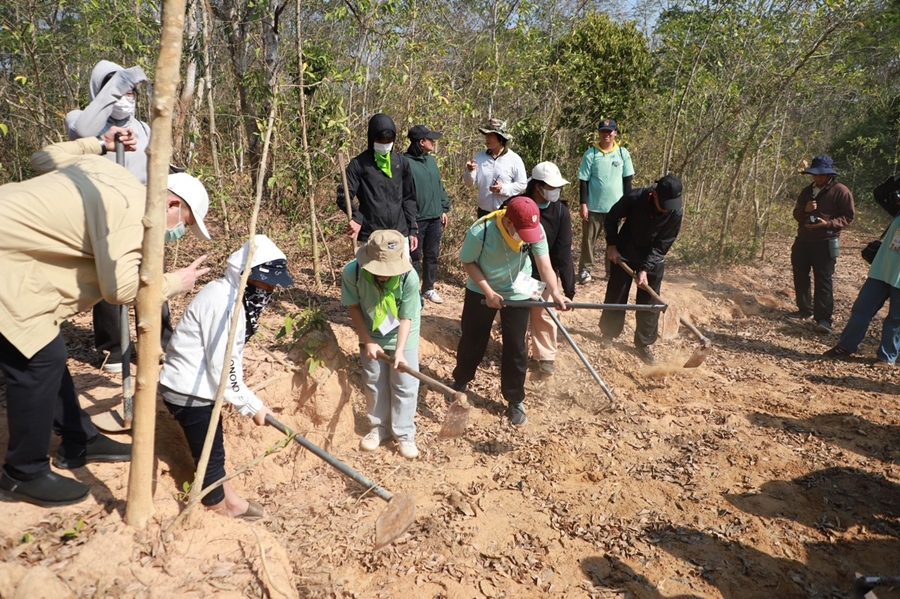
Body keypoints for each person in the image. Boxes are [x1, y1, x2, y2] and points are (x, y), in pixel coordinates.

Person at [0, 133, 210, 507]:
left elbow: (43, 157)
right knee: (39, 361)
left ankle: (80, 440)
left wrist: (99, 143)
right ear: (172, 203)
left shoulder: (108, 171)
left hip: (17, 261)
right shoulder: (132, 214)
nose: (178, 234)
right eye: (184, 222)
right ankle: (23, 474)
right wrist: (175, 283)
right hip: (8, 266)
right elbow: (121, 289)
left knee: (47, 353)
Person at [160, 235, 292, 519]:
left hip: (199, 385)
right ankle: (216, 505)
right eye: (265, 282)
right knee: (210, 454)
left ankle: (229, 498)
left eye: (273, 284)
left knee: (213, 448)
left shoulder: (230, 296)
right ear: (245, 276)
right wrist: (252, 406)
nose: (270, 289)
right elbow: (222, 367)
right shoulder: (224, 305)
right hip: (189, 389)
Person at [451, 197, 570, 426]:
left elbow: (544, 264)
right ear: (508, 222)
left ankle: (515, 399)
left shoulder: (536, 229)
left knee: (516, 346)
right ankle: (461, 380)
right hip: (481, 289)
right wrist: (488, 292)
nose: (527, 237)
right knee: (473, 338)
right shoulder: (482, 231)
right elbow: (468, 262)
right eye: (522, 232)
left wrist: (555, 292)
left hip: (518, 289)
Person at [342, 230, 422, 459]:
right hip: (370, 331)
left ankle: (404, 433)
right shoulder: (353, 272)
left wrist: (400, 351)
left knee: (405, 384)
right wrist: (367, 340)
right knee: (374, 380)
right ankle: (379, 427)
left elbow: (407, 317)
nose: (384, 275)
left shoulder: (409, 277)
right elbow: (353, 307)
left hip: (404, 333)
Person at [599, 175, 684, 364]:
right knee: (616, 293)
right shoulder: (635, 197)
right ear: (655, 195)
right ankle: (609, 333)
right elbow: (612, 217)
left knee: (649, 302)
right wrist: (612, 244)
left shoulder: (675, 212)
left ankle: (644, 343)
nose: (667, 209)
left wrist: (645, 268)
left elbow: (663, 244)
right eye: (664, 204)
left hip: (653, 257)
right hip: (626, 250)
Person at [824, 193, 900, 366]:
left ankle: (886, 357)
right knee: (861, 310)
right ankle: (845, 347)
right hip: (881, 271)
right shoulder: (897, 210)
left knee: (896, 319)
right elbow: (881, 192)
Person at [788, 155, 856, 333]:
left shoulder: (841, 191)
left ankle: (824, 319)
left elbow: (848, 217)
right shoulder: (807, 191)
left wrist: (828, 224)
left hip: (825, 241)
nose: (817, 177)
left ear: (829, 175)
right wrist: (805, 210)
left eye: (821, 174)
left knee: (823, 279)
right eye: (815, 174)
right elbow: (796, 214)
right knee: (800, 275)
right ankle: (804, 310)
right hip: (803, 240)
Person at [521, 162, 576, 376]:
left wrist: (568, 288)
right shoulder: (518, 205)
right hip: (518, 272)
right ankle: (517, 353)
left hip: (545, 273)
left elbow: (564, 251)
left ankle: (545, 358)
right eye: (551, 187)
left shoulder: (560, 212)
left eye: (557, 187)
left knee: (543, 313)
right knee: (518, 314)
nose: (556, 191)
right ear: (538, 186)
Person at [337, 113, 419, 252]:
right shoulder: (359, 164)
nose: (385, 145)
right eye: (381, 140)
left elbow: (409, 198)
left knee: (402, 266)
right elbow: (343, 195)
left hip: (399, 233)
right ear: (371, 138)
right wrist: (356, 217)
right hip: (371, 235)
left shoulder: (401, 163)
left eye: (389, 141)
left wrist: (412, 229)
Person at [66, 60, 151, 183]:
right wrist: (120, 82)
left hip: (139, 194)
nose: (123, 98)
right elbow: (82, 131)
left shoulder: (144, 128)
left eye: (128, 93)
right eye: (116, 94)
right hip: (102, 194)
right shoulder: (77, 118)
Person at [577, 118, 634, 284]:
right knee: (589, 240)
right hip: (594, 207)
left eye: (609, 131)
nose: (606, 135)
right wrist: (583, 204)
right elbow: (583, 181)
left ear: (615, 133)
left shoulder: (622, 153)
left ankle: (612, 271)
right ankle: (585, 270)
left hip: (616, 208)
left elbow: (627, 181)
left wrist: (628, 206)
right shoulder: (591, 154)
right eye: (603, 131)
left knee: (614, 241)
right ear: (599, 133)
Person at [405, 125, 452, 305]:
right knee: (415, 257)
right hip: (417, 220)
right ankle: (413, 291)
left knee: (432, 255)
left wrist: (443, 208)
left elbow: (439, 186)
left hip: (435, 218)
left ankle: (428, 289)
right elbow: (403, 194)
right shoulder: (405, 162)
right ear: (421, 142)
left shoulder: (431, 161)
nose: (434, 142)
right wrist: (410, 220)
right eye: (430, 139)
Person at [464, 118, 527, 218]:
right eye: (486, 135)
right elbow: (469, 183)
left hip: (506, 212)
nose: (487, 138)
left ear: (501, 138)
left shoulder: (514, 159)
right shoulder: (479, 157)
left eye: (491, 135)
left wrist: (503, 188)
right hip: (484, 212)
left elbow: (522, 184)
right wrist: (470, 171)